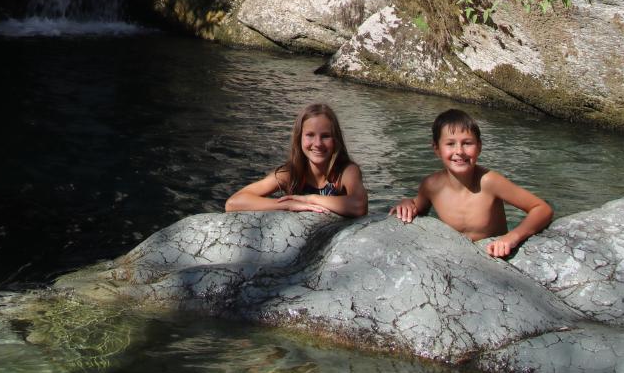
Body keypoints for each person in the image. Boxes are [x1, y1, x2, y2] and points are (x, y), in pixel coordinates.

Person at [388, 107, 553, 257]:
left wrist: (511, 237)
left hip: (493, 258)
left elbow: (542, 209)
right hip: (457, 258)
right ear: (436, 149)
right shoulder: (432, 185)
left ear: (479, 147)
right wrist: (406, 203)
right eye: (450, 144)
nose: (459, 151)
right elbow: (416, 206)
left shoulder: (490, 182)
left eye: (467, 143)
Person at [225, 101, 368, 216]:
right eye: (310, 135)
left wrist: (310, 199)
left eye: (325, 136)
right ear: (299, 138)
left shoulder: (346, 171)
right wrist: (288, 205)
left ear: (335, 140)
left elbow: (359, 205)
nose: (317, 144)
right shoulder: (290, 173)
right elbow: (233, 203)